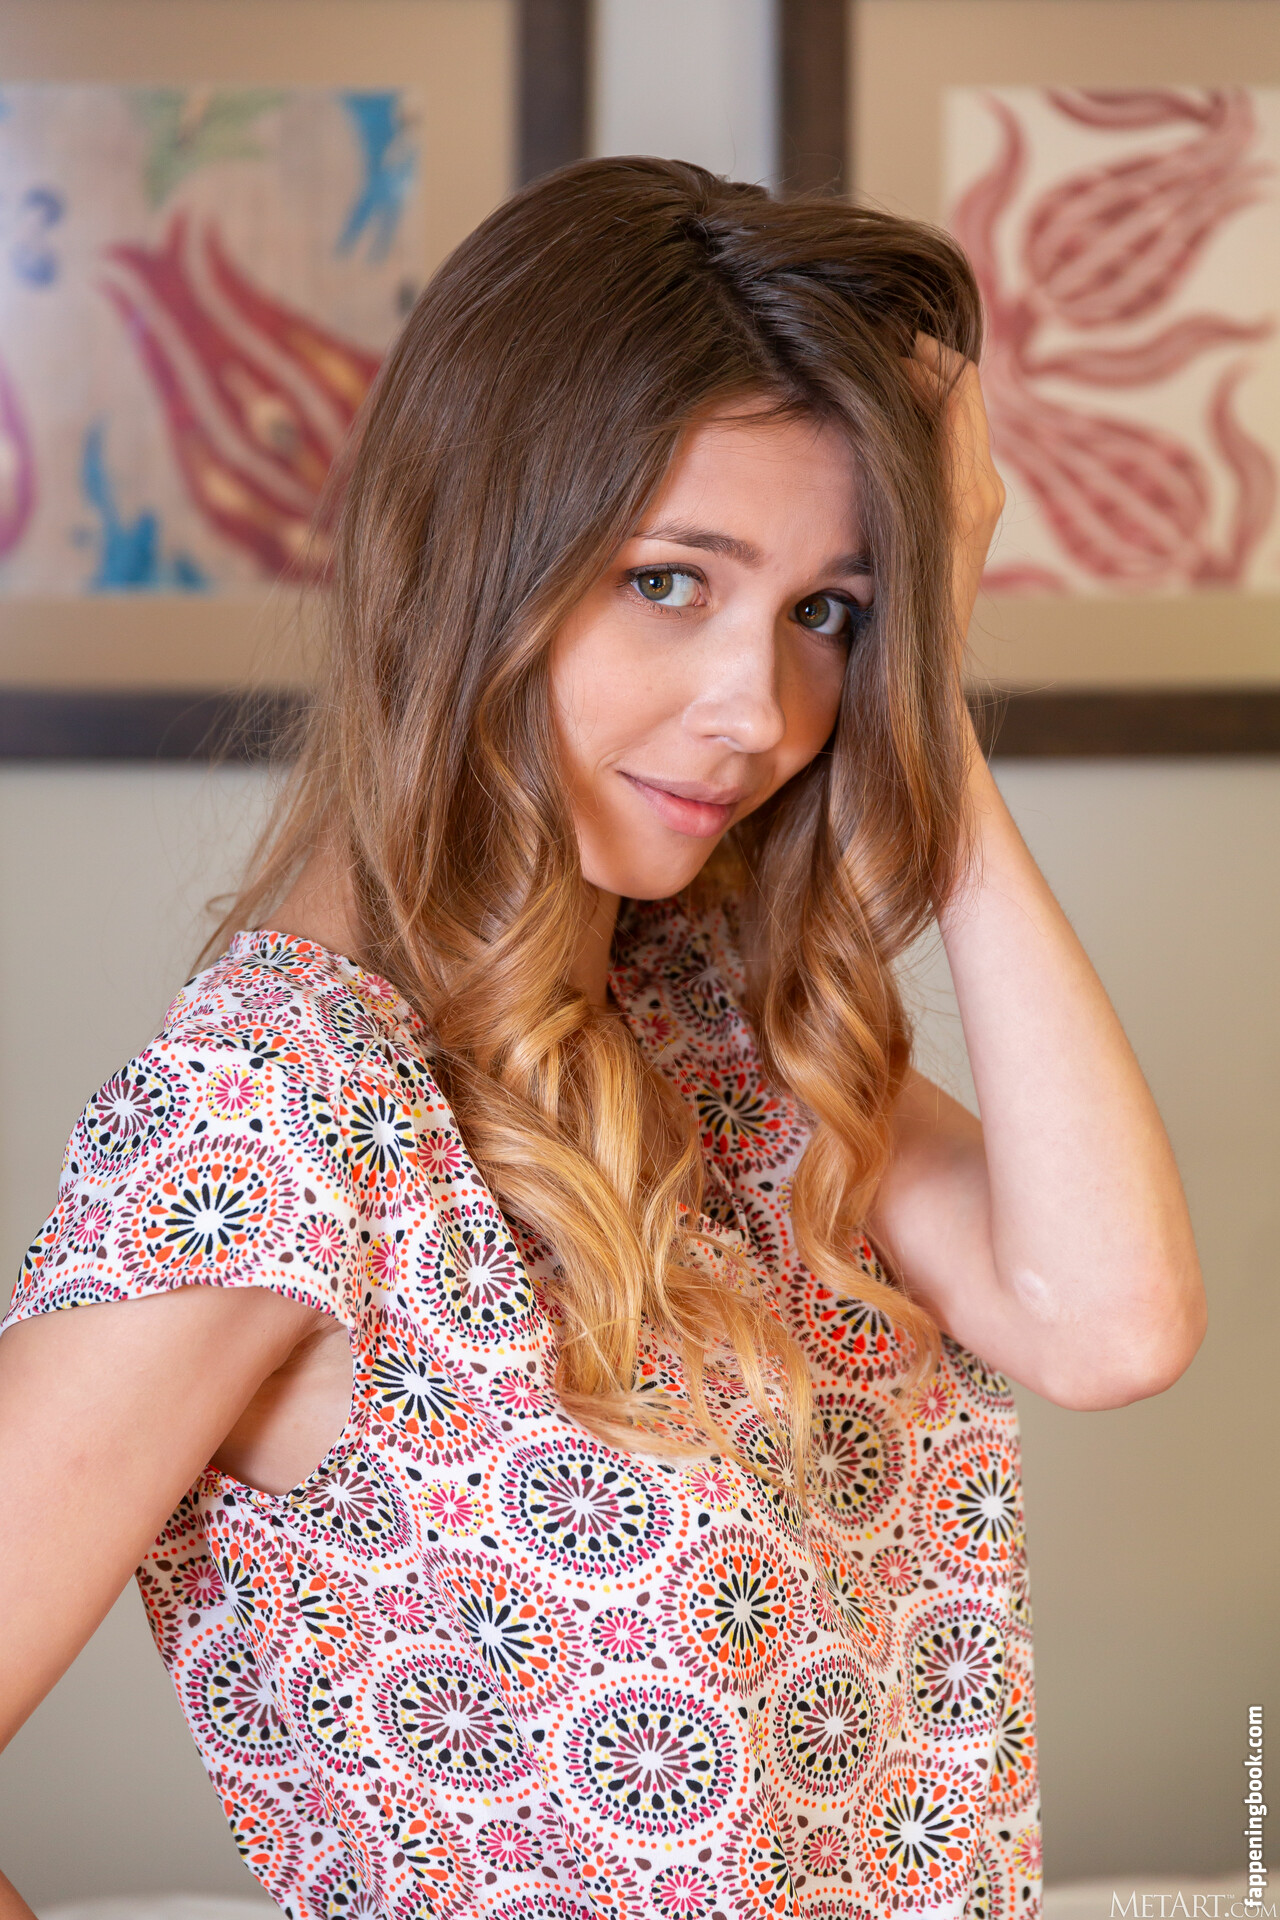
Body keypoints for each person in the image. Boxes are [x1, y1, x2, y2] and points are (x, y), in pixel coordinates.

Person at [0, 157, 1204, 1920]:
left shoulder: (707, 1018)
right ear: (466, 560)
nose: (760, 711)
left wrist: (925, 704)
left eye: (831, 613)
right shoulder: (267, 1120)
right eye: (668, 582)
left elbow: (1111, 1325)